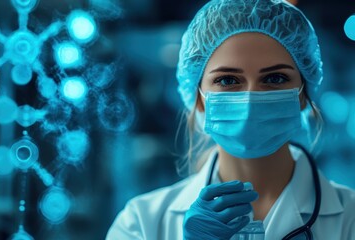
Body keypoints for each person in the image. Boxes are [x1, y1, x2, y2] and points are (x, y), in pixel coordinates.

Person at [106, 0, 355, 239]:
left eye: (275, 78)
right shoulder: (140, 223)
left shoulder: (350, 219)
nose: (250, 98)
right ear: (199, 98)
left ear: (304, 95)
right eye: (227, 80)